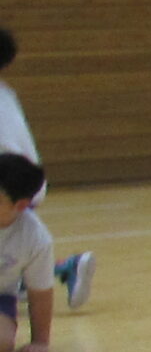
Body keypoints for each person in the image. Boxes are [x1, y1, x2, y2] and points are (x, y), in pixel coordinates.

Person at [0, 27, 96, 311]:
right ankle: (66, 268)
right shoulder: (6, 91)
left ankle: (62, 269)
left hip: (13, 181)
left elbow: (9, 153)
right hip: (23, 179)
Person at [0, 152, 56, 352]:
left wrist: (40, 341)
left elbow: (40, 292)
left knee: (2, 344)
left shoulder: (36, 238)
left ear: (21, 205)